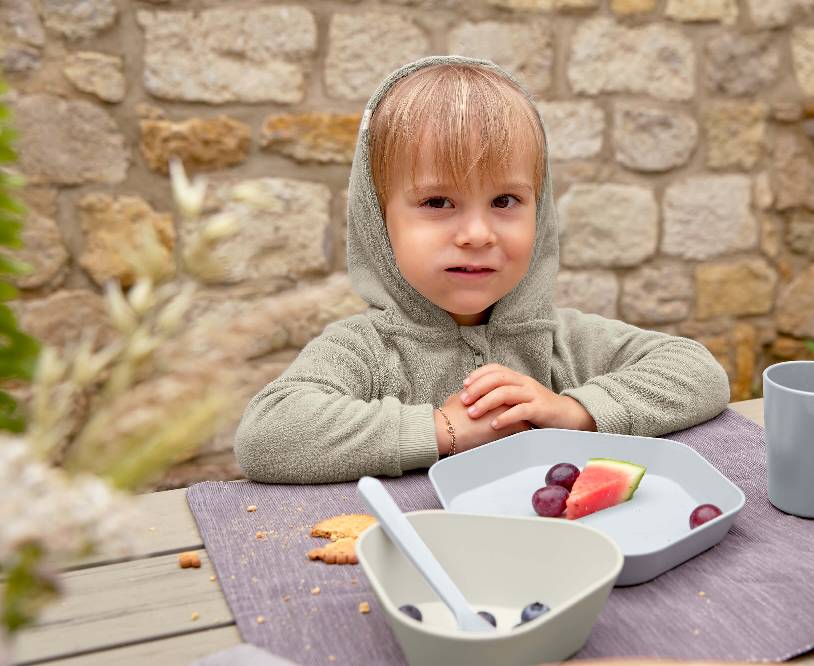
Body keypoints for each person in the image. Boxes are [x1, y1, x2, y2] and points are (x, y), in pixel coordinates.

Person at [234, 55, 730, 484]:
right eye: (437, 201)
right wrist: (445, 430)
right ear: (379, 220)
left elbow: (698, 372)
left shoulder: (561, 340)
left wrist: (574, 412)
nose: (477, 233)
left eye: (505, 200)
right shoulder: (365, 350)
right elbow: (266, 434)